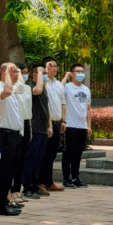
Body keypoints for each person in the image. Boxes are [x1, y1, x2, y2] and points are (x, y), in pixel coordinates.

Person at [0, 62, 22, 217]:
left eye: (16, 71)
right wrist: (8, 76)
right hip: (5, 135)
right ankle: (0, 206)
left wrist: (13, 75)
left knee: (10, 172)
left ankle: (6, 202)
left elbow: (18, 87)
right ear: (3, 73)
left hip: (14, 135)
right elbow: (7, 91)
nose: (16, 74)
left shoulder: (14, 90)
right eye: (12, 71)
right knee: (3, 172)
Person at [22, 64, 52, 199]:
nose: (45, 75)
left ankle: (35, 185)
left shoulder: (44, 89)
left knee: (38, 160)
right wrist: (40, 71)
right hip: (33, 129)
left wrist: (49, 126)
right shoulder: (29, 87)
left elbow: (47, 108)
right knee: (30, 160)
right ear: (34, 75)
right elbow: (37, 89)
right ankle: (27, 187)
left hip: (43, 129)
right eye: (42, 73)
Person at [61, 64, 91, 188]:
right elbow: (58, 89)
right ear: (72, 73)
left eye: (82, 71)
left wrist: (89, 125)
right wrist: (65, 77)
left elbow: (89, 109)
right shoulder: (67, 87)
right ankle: (66, 178)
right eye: (77, 71)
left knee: (78, 154)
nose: (80, 74)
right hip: (70, 125)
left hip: (82, 126)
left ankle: (75, 178)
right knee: (68, 152)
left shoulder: (86, 89)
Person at [38, 56, 66, 193]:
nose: (54, 68)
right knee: (43, 154)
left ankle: (49, 182)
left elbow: (63, 103)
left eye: (55, 66)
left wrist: (64, 121)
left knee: (52, 155)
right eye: (50, 66)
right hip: (45, 124)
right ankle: (40, 182)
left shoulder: (59, 84)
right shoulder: (43, 83)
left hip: (57, 123)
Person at [9, 62, 31, 205]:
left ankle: (18, 190)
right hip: (15, 124)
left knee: (22, 159)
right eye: (21, 72)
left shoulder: (27, 88)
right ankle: (11, 192)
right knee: (14, 161)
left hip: (26, 123)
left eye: (25, 72)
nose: (24, 75)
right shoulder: (12, 88)